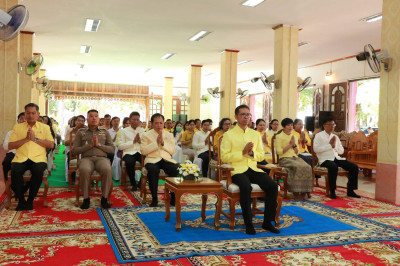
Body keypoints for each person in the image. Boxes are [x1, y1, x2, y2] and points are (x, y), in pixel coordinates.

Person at [220, 105, 280, 235]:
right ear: (236, 117)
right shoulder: (229, 135)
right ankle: (248, 224)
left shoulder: (255, 134)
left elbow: (261, 155)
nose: (246, 117)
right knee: (246, 187)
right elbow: (224, 157)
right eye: (243, 114)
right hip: (236, 170)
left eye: (248, 115)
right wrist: (242, 152)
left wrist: (252, 153)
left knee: (272, 186)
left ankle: (267, 222)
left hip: (253, 168)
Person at [8, 103, 54, 211]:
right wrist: (26, 139)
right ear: (25, 114)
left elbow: (51, 144)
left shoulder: (45, 127)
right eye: (28, 113)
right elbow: (10, 145)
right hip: (21, 157)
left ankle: (30, 201)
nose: (31, 115)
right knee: (15, 170)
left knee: (38, 170)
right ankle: (21, 200)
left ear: (38, 114)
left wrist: (35, 139)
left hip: (38, 158)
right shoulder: (17, 127)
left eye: (33, 113)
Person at [72, 109, 115, 209]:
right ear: (87, 119)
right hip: (86, 158)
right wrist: (89, 145)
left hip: (102, 159)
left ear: (99, 119)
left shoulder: (104, 132)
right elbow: (75, 151)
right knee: (84, 170)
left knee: (107, 169)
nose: (94, 118)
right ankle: (86, 199)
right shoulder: (81, 132)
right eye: (91, 116)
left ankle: (104, 199)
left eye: (96, 116)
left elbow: (112, 150)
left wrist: (98, 145)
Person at [313, 117, 360, 199]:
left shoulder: (335, 137)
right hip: (324, 159)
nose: (332, 127)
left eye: (333, 125)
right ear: (324, 125)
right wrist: (330, 146)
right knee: (333, 167)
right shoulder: (319, 136)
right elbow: (316, 149)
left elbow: (341, 151)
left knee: (354, 167)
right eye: (329, 125)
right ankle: (332, 191)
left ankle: (350, 190)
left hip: (336, 158)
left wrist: (334, 146)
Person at [140, 113, 178, 207]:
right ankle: (154, 199)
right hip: (152, 160)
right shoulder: (145, 135)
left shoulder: (169, 135)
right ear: (152, 124)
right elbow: (143, 151)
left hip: (166, 159)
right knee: (153, 170)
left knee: (175, 169)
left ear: (163, 123)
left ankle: (173, 198)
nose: (159, 125)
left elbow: (173, 151)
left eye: (161, 123)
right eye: (156, 123)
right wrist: (156, 143)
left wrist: (163, 143)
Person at [275, 118, 313, 199]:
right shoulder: (279, 136)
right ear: (283, 127)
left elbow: (297, 152)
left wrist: (294, 145)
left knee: (307, 167)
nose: (290, 127)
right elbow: (279, 152)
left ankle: (305, 191)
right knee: (298, 167)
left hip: (295, 157)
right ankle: (295, 191)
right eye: (288, 125)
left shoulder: (294, 136)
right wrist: (290, 145)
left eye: (291, 125)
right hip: (284, 159)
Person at [117, 111, 145, 191]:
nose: (136, 121)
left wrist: (140, 141)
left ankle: (140, 183)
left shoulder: (143, 131)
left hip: (140, 152)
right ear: (129, 120)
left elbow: (146, 144)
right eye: (134, 119)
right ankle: (133, 184)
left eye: (137, 120)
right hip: (128, 152)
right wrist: (133, 142)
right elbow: (120, 146)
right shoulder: (123, 131)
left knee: (149, 162)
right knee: (129, 162)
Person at [2, 112, 26, 181]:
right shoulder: (11, 133)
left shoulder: (31, 132)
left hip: (27, 154)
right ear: (18, 121)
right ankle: (8, 185)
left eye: (26, 119)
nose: (24, 121)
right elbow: (5, 147)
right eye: (21, 119)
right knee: (6, 163)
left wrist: (14, 144)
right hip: (13, 153)